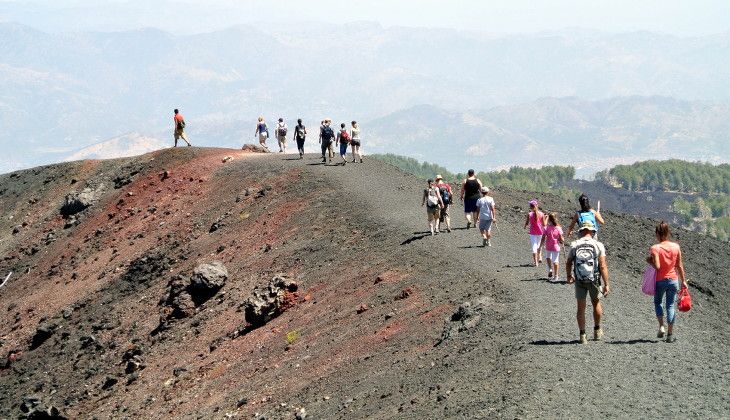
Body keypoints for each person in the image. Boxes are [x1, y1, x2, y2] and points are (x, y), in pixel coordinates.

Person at [566, 220, 610, 344]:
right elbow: (602, 266)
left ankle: (582, 335)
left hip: (579, 279)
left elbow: (569, 262)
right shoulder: (598, 245)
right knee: (596, 303)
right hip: (594, 279)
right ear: (592, 231)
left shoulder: (574, 244)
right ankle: (597, 330)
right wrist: (606, 284)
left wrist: (569, 275)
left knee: (581, 308)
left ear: (581, 231)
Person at [646, 221, 688, 343]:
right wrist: (683, 281)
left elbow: (658, 266)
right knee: (670, 305)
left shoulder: (655, 248)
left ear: (658, 234)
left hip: (660, 281)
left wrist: (650, 261)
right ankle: (670, 335)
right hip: (673, 281)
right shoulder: (676, 247)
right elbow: (679, 265)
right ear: (667, 232)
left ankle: (661, 326)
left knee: (658, 302)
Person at [540, 213, 565, 282]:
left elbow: (543, 238)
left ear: (549, 219)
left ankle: (550, 269)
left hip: (548, 245)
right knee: (555, 260)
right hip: (555, 246)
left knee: (548, 257)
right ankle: (556, 276)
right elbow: (561, 239)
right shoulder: (558, 228)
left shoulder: (546, 228)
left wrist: (540, 246)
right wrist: (561, 240)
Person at [524, 200, 546, 266]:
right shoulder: (541, 214)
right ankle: (540, 256)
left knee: (534, 246)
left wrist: (525, 226)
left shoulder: (529, 214)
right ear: (537, 205)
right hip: (540, 232)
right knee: (538, 245)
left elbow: (527, 222)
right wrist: (546, 218)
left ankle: (535, 262)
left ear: (530, 207)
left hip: (533, 233)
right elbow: (544, 224)